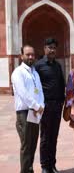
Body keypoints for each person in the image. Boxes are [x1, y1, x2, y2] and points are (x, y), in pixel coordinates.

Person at [12, 45, 45, 173]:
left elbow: (40, 91)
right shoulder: (18, 73)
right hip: (24, 113)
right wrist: (37, 106)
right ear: (22, 56)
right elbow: (23, 93)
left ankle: (29, 169)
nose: (31, 57)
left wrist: (41, 105)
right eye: (28, 54)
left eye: (32, 54)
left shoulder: (35, 73)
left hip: (35, 113)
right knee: (26, 146)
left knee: (32, 144)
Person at [35, 38, 65, 173]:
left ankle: (52, 165)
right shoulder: (38, 66)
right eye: (49, 47)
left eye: (54, 47)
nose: (52, 50)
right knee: (45, 137)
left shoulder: (58, 66)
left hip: (57, 106)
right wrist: (37, 105)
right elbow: (35, 87)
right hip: (45, 106)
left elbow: (61, 84)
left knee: (54, 137)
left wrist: (62, 103)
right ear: (44, 49)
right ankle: (44, 166)